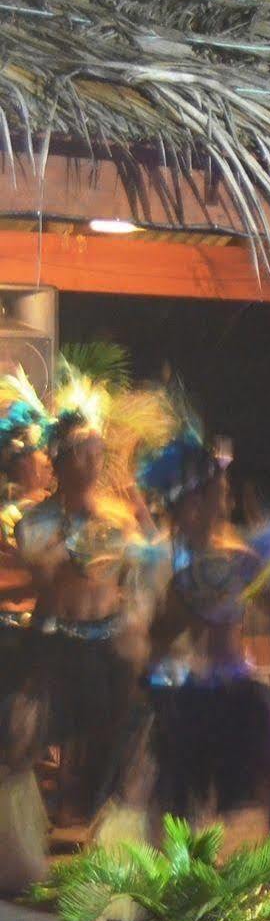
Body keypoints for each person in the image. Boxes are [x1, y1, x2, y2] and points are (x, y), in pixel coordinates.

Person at [131, 426, 270, 836]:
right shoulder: (163, 558)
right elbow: (157, 635)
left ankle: (269, 878)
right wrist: (189, 602)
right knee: (180, 802)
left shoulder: (239, 553)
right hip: (183, 699)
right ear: (197, 500)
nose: (229, 493)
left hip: (236, 692)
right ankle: (179, 888)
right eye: (221, 486)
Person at [12, 374, 168, 830]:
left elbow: (156, 558)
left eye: (99, 453)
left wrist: (138, 509)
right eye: (85, 453)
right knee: (31, 733)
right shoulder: (35, 522)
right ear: (60, 460)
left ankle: (92, 827)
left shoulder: (118, 519)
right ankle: (32, 830)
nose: (95, 462)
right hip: (56, 644)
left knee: (110, 736)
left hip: (109, 646)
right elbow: (47, 575)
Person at [0, 371, 52, 889]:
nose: (46, 461)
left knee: (20, 746)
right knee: (14, 747)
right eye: (38, 453)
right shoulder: (20, 516)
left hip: (29, 637)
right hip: (12, 638)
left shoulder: (42, 513)